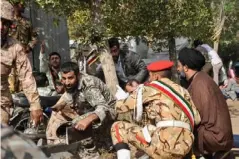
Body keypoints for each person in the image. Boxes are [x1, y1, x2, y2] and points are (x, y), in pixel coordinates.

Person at [111, 60, 201, 159]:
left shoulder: (151, 88)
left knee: (117, 127)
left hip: (164, 145)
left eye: (150, 76)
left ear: (156, 76)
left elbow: (120, 107)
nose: (149, 79)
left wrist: (124, 96)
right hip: (185, 146)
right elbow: (197, 119)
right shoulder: (183, 91)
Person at [46, 62, 116, 158]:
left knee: (77, 123)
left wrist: (87, 120)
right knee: (56, 116)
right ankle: (54, 144)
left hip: (109, 112)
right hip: (89, 110)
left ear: (78, 75)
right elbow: (67, 97)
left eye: (70, 78)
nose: (67, 82)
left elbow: (103, 108)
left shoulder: (88, 85)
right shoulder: (70, 84)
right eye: (64, 78)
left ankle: (90, 154)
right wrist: (55, 108)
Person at [177, 48, 233, 158]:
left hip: (214, 138)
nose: (178, 69)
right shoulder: (201, 78)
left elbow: (194, 117)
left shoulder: (199, 84)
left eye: (179, 66)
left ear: (186, 67)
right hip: (218, 135)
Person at [1, 0, 43, 125]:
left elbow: (26, 77)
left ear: (10, 26)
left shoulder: (15, 47)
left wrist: (35, 105)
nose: (0, 27)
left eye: (5, 23)